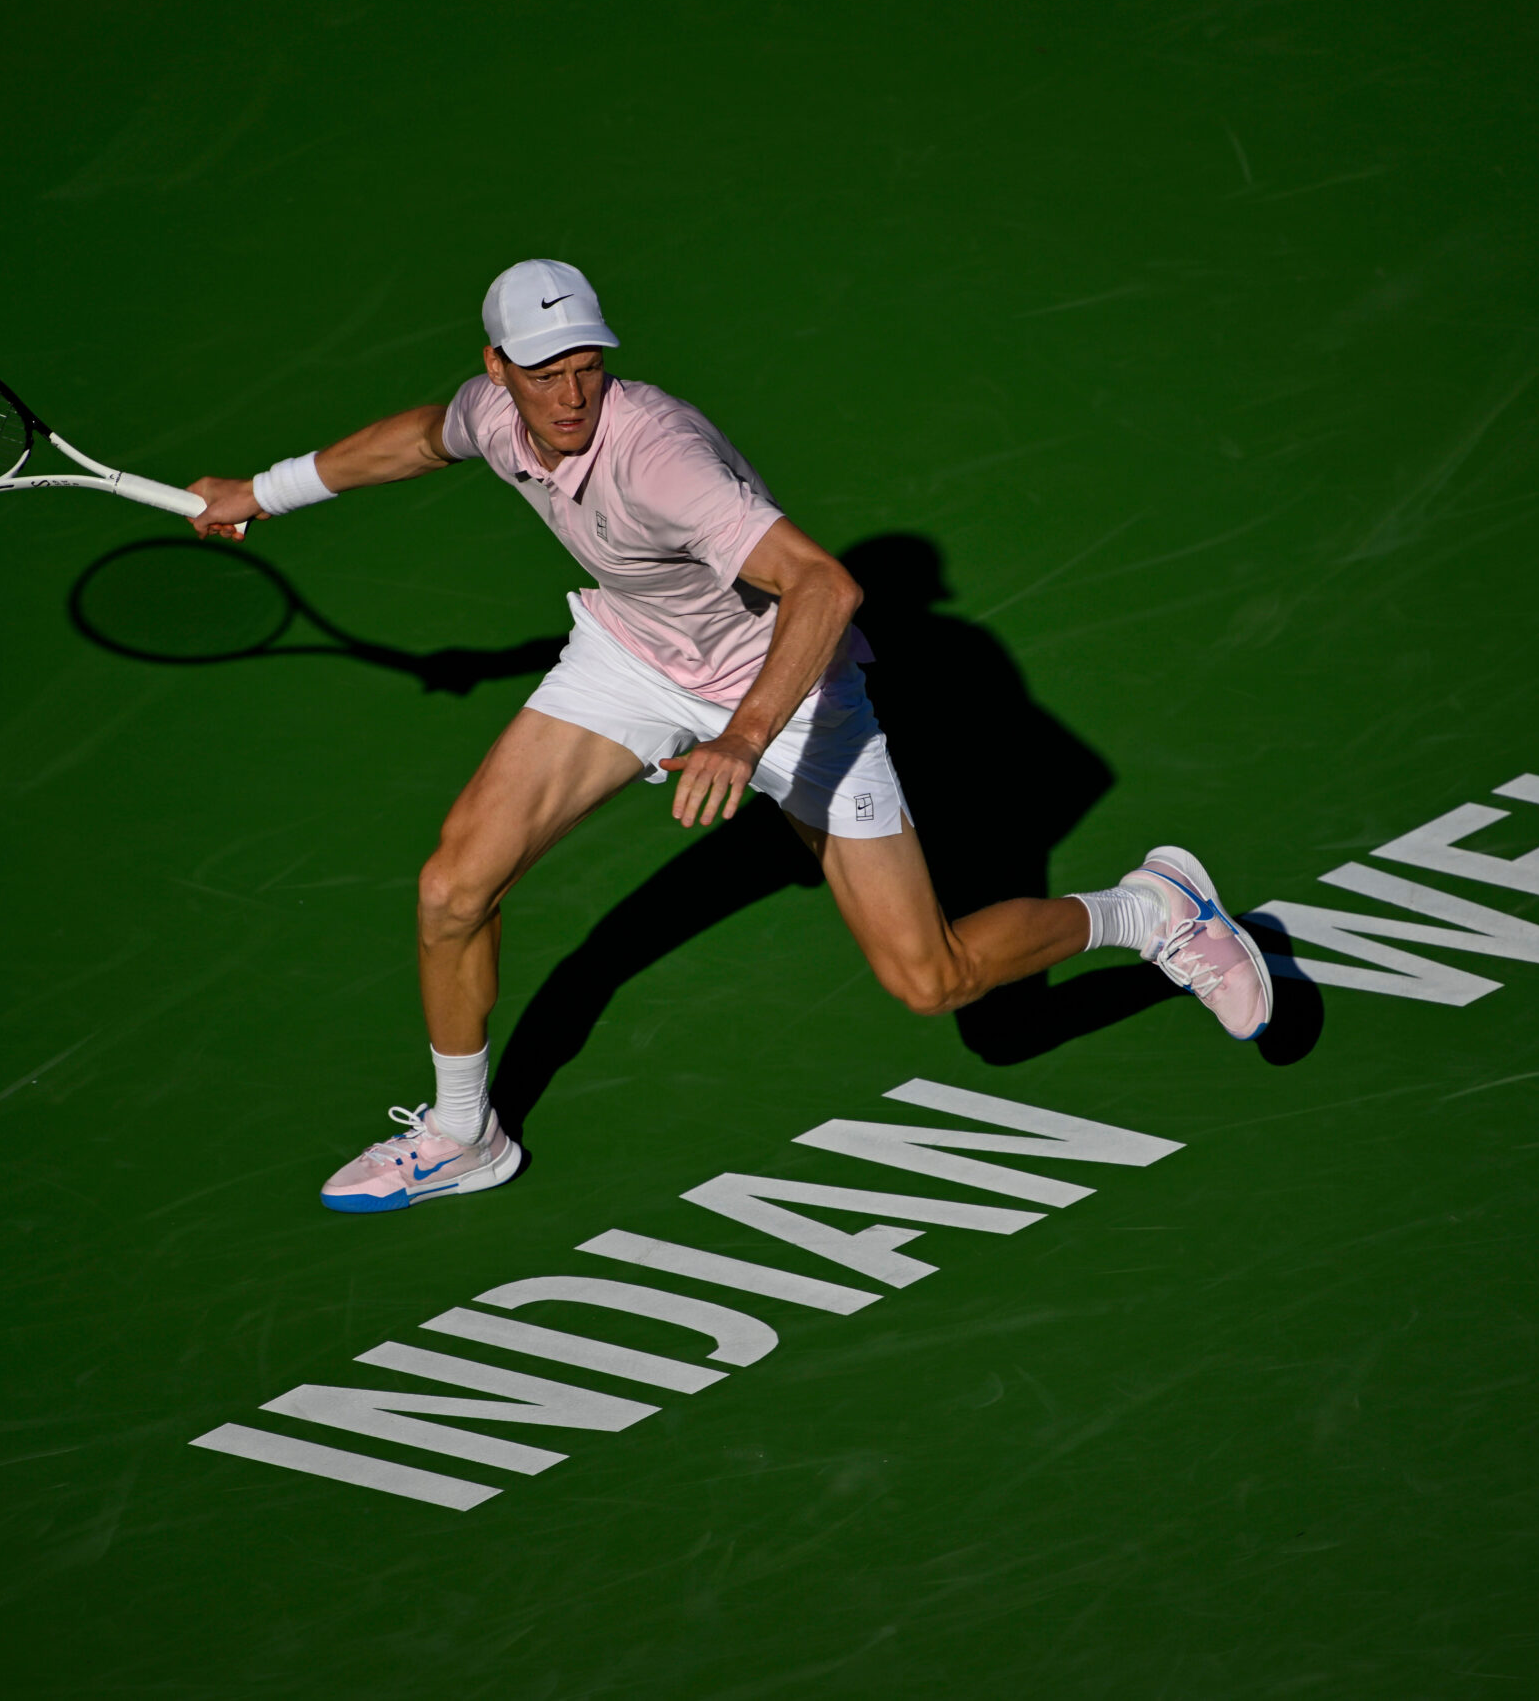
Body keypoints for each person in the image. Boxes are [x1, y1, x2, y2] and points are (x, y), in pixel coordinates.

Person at [187, 260, 1272, 1213]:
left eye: (586, 364)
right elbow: (420, 440)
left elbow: (823, 585)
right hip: (634, 660)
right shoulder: (491, 412)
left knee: (930, 981)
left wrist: (742, 741)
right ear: (499, 367)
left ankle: (1151, 909)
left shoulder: (660, 457)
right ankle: (465, 1133)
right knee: (451, 887)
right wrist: (263, 494)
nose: (569, 393)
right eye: (543, 370)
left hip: (791, 698)